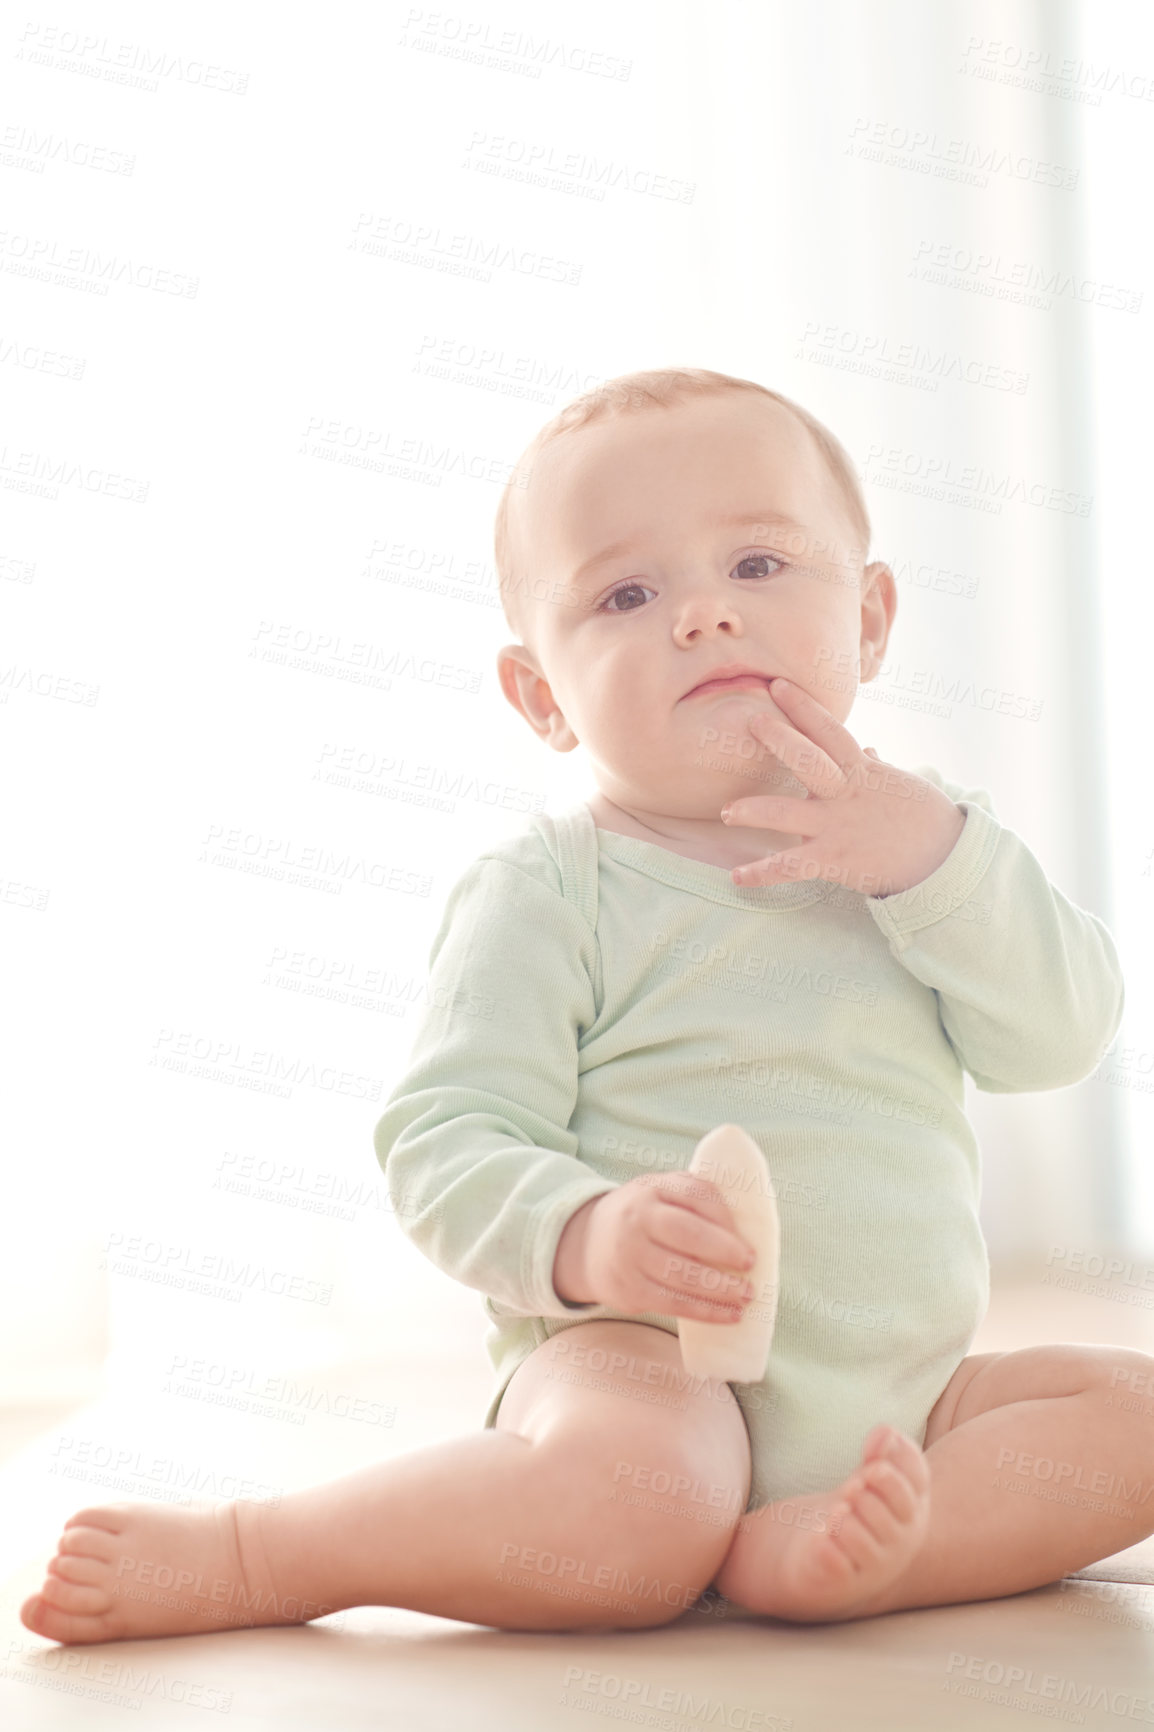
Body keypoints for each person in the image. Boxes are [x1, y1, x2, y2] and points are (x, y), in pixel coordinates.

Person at [21, 367, 1147, 1646]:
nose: (705, 617)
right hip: (637, 1368)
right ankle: (267, 1551)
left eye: (761, 565)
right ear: (541, 696)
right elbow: (442, 1141)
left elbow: (1056, 1038)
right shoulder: (550, 889)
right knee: (636, 1513)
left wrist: (935, 859)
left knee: (1134, 1418)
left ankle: (880, 1543)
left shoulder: (928, 857)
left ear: (872, 618)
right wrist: (585, 1232)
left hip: (904, 1391)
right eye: (626, 593)